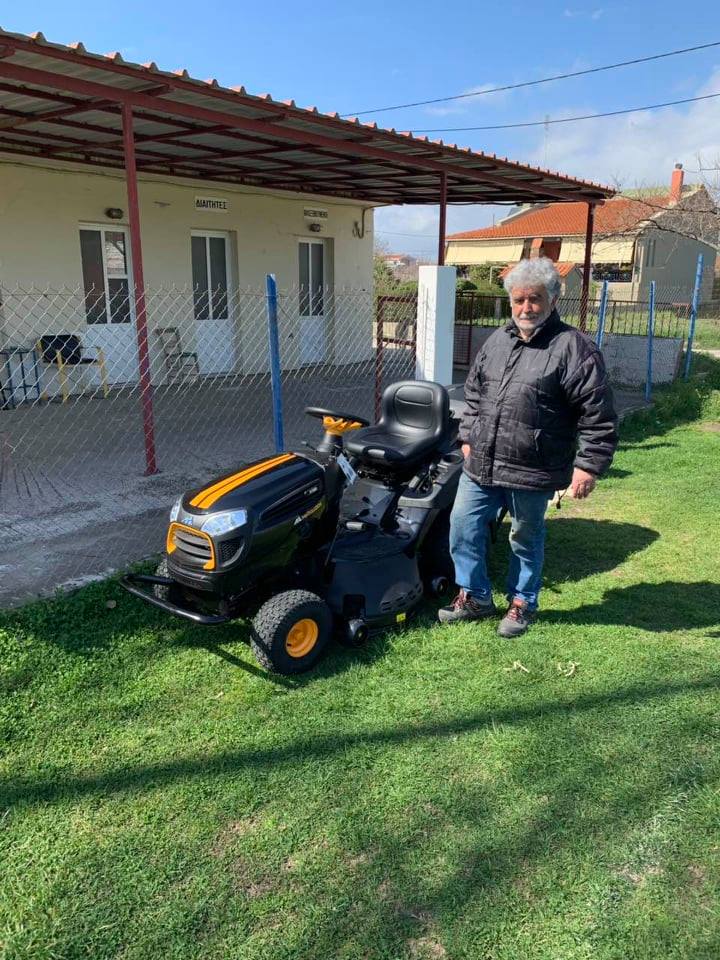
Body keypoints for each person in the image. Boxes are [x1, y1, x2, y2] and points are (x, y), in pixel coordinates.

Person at [439, 257, 618, 637]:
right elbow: (474, 394)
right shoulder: (497, 341)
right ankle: (475, 596)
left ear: (552, 299)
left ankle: (522, 602)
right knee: (462, 528)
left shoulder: (574, 348)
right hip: (481, 463)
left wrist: (588, 466)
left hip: (533, 468)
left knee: (524, 538)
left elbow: (598, 414)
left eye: (534, 299)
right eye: (518, 300)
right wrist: (467, 437)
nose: (526, 308)